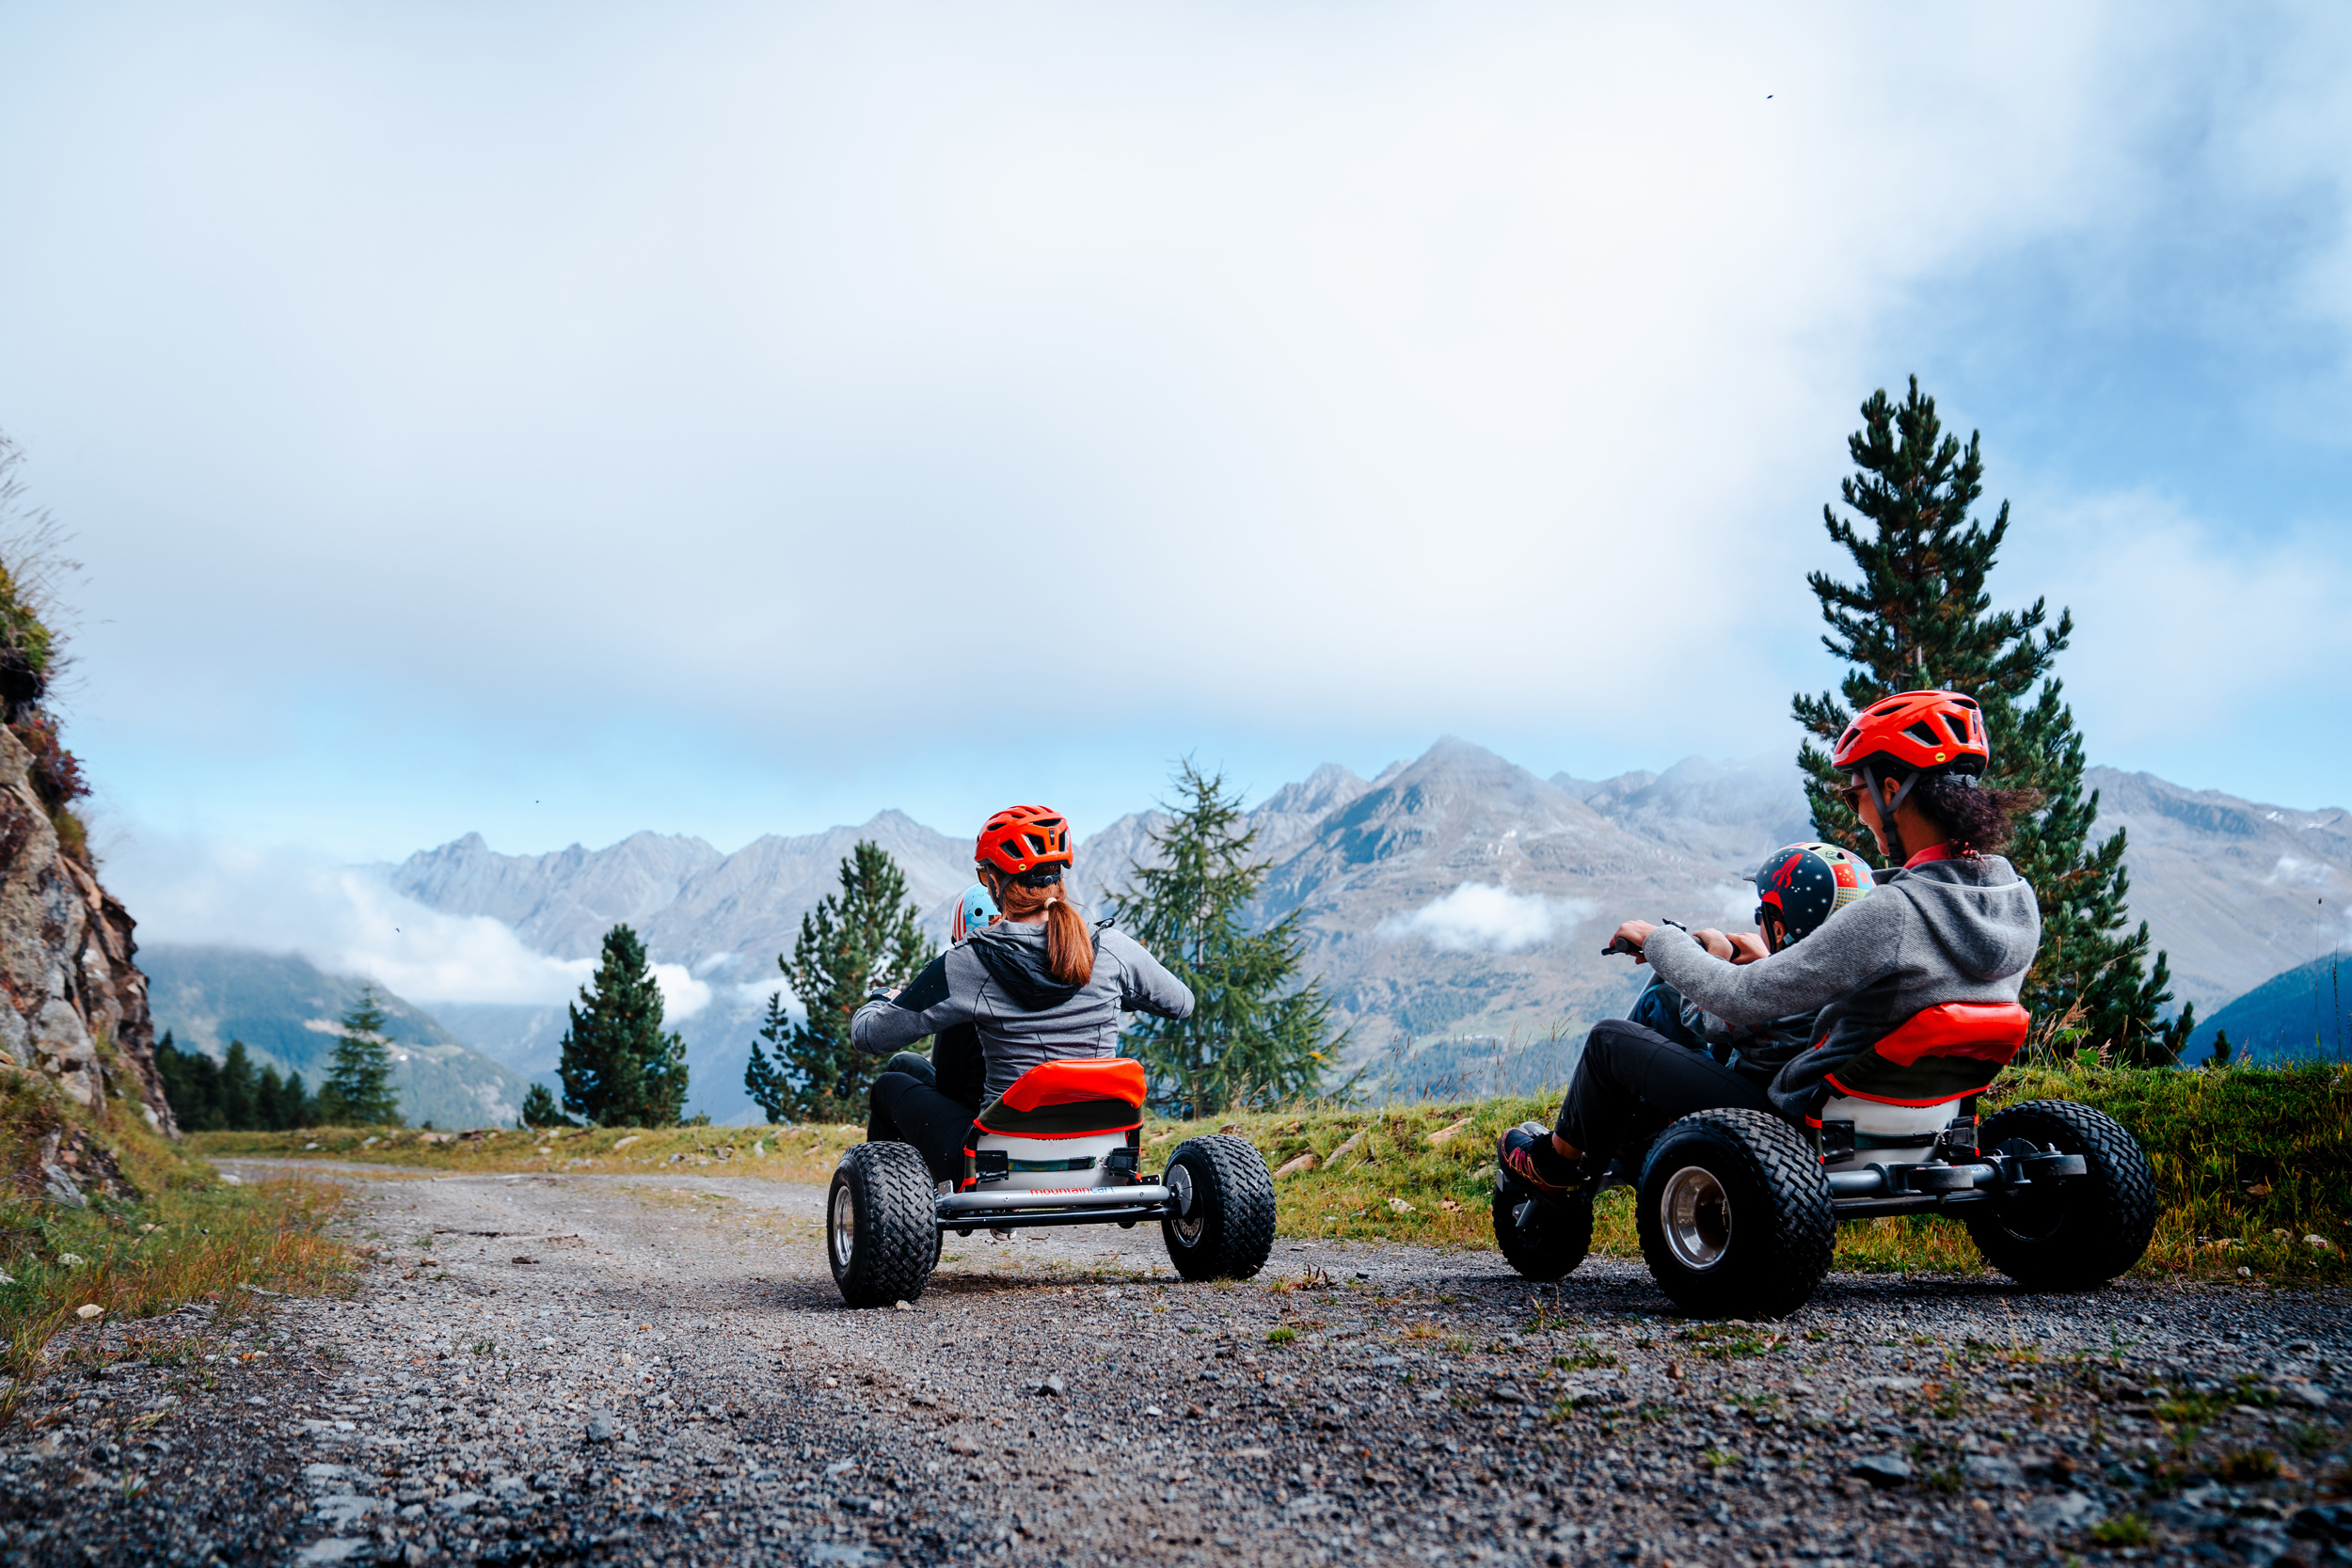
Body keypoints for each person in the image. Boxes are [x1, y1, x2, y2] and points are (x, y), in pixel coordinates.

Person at [1501, 689, 2043, 1193]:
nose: (1858, 814)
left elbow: (1741, 1000)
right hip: (1929, 1118)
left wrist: (1664, 941)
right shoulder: (2014, 901)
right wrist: (1769, 960)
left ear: (1893, 789)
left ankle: (1554, 1168)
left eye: (1858, 793)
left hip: (1799, 1123)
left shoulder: (1895, 914)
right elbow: (1891, 1002)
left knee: (1610, 1042)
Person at [850, 804, 1195, 1184]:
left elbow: (871, 1036)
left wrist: (882, 1000)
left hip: (996, 1165)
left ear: (997, 883)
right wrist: (1113, 992)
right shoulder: (1111, 947)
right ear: (1058, 877)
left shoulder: (969, 962)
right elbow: (1181, 1003)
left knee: (890, 1085)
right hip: (1103, 1153)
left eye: (984, 875)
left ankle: (899, 1215)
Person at [1625, 840, 1878, 1089]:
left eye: (1762, 914)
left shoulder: (1783, 994)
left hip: (1749, 1103)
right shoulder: (1853, 983)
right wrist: (1766, 963)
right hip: (1798, 1091)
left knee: (1643, 1011)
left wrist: (1716, 957)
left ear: (1779, 932)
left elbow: (1704, 1015)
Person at [862, 881, 1001, 1141]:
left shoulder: (963, 987)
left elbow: (949, 1083)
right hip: (1034, 1111)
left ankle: (889, 1172)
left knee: (897, 1071)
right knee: (906, 1063)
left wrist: (880, 1000)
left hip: (974, 1121)